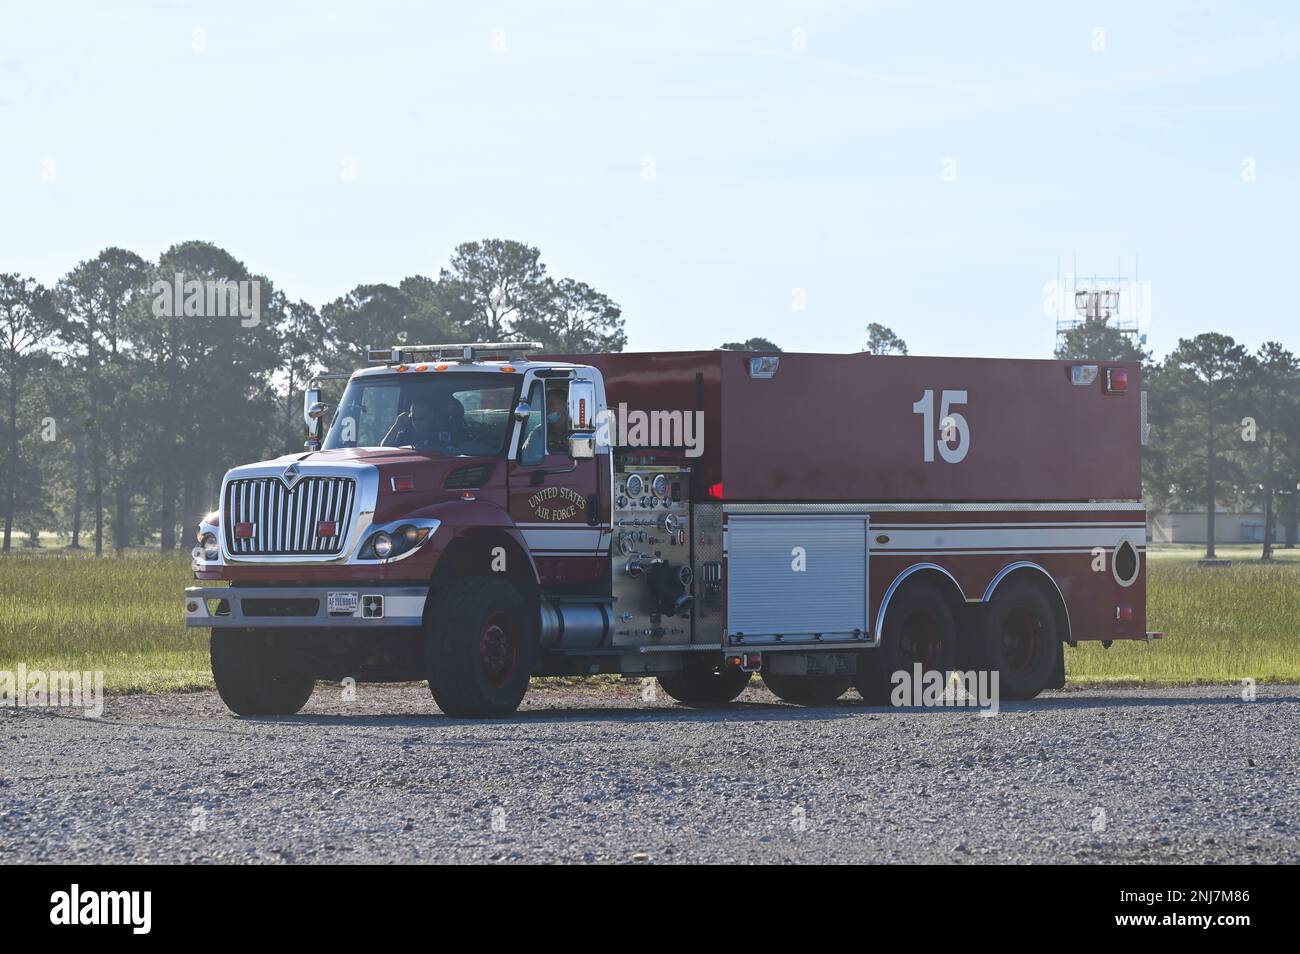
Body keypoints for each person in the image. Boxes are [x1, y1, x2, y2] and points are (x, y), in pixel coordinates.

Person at [383, 392, 464, 448]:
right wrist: (397, 425)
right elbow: (384, 450)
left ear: (432, 415)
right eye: (413, 418)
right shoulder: (406, 435)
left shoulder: (448, 433)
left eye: (421, 418)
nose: (417, 422)